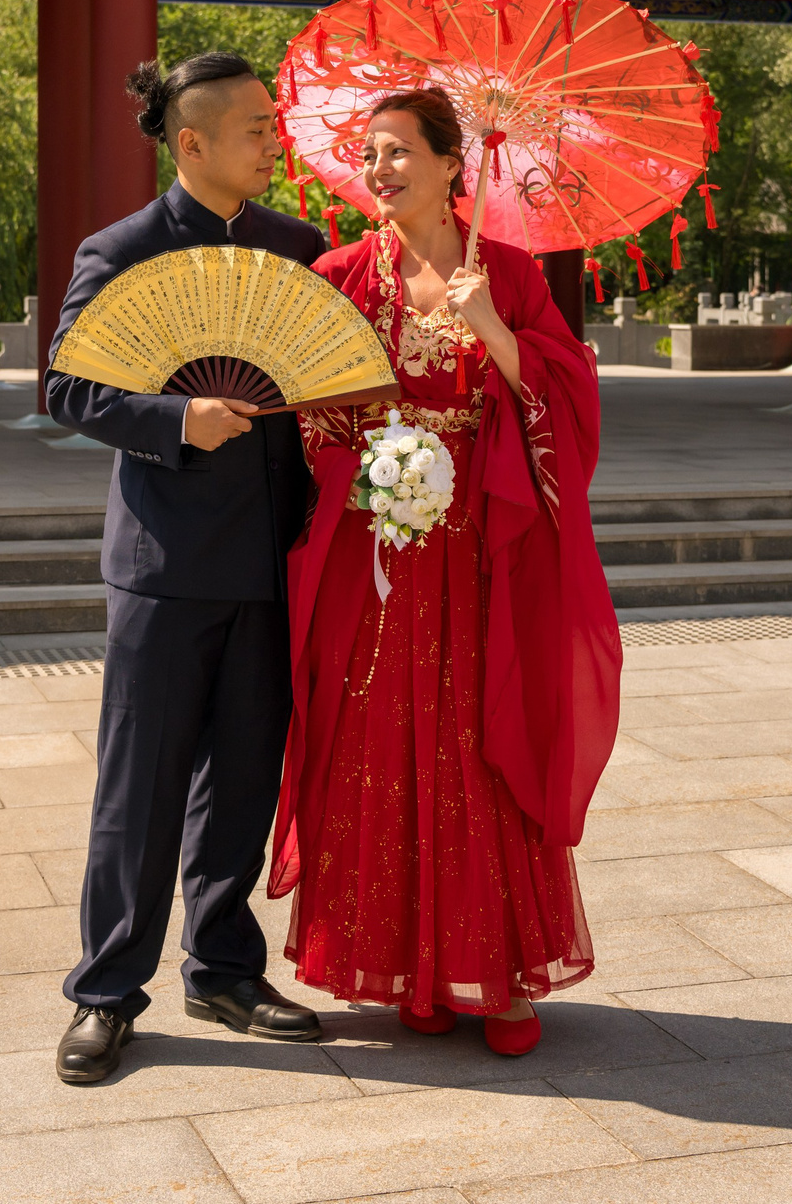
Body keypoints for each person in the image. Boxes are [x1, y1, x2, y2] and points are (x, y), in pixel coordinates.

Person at [270, 87, 622, 1057]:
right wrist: (361, 462)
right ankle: (411, 967)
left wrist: (497, 334)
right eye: (367, 154)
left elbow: (569, 404)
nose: (378, 170)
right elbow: (309, 409)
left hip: (480, 550)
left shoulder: (507, 272)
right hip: (376, 547)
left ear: (447, 163)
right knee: (381, 744)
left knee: (479, 739)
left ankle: (500, 977)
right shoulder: (341, 273)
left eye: (396, 153)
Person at [46, 50, 330, 1086]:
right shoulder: (120, 249)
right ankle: (105, 994)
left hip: (273, 557)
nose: (273, 141)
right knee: (141, 786)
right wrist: (177, 418)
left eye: (273, 125)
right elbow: (70, 387)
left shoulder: (297, 247)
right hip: (163, 563)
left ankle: (223, 967)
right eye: (256, 127)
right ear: (193, 142)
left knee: (245, 778)